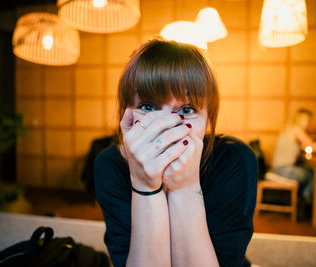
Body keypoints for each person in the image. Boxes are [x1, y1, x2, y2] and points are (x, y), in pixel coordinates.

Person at [94, 39, 257, 267]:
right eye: (149, 107)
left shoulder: (234, 160)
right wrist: (143, 185)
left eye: (187, 110)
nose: (167, 124)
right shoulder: (109, 165)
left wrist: (185, 187)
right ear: (127, 116)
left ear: (207, 119)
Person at [271, 109, 316, 205]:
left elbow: (305, 147)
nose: (309, 124)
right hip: (284, 169)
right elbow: (313, 147)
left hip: (278, 168)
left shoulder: (288, 128)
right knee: (313, 175)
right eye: (308, 121)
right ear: (300, 120)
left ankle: (303, 199)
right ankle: (305, 201)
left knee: (308, 172)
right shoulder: (296, 129)